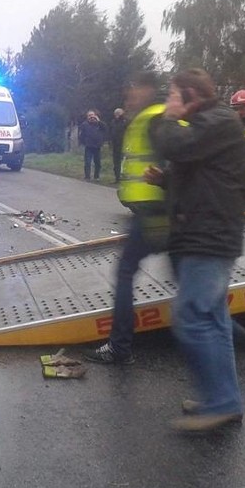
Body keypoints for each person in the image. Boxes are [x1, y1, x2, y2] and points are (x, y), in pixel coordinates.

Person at [149, 68, 245, 432]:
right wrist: (166, 180)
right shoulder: (211, 125)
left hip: (209, 237)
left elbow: (174, 145)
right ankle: (224, 401)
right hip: (207, 233)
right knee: (214, 321)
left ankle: (222, 402)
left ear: (190, 95)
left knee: (191, 317)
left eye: (173, 95)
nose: (169, 102)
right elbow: (198, 171)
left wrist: (168, 117)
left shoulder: (219, 122)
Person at [85, 72, 166, 365]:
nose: (128, 97)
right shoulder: (148, 117)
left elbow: (179, 163)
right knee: (189, 287)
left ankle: (120, 347)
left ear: (147, 91)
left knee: (125, 271)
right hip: (153, 213)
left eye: (133, 91)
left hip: (156, 215)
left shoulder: (156, 119)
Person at [78, 110, 107, 180]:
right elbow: (81, 135)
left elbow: (105, 128)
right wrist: (83, 142)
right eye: (89, 115)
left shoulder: (99, 124)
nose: (91, 117)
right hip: (88, 146)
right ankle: (87, 176)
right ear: (87, 117)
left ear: (95, 116)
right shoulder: (84, 124)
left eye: (92, 115)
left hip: (97, 146)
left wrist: (98, 121)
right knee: (87, 162)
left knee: (98, 162)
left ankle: (96, 176)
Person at [108, 107, 128, 183]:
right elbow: (111, 132)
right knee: (116, 162)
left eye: (118, 113)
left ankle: (124, 178)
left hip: (124, 144)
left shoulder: (125, 122)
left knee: (124, 162)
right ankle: (117, 178)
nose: (117, 115)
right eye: (115, 113)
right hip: (115, 145)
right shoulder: (113, 122)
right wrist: (110, 142)